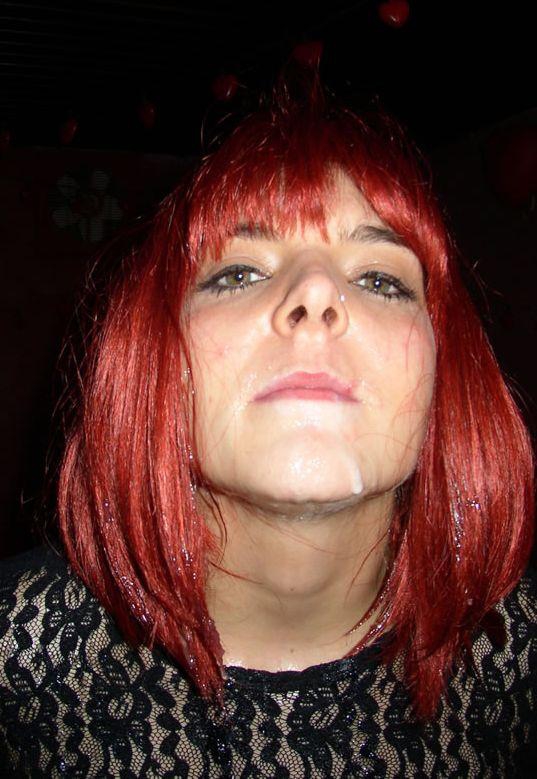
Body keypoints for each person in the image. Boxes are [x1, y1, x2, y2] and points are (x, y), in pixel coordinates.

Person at [0, 71, 535, 777]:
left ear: (446, 372)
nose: (314, 293)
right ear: (157, 359)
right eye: (240, 272)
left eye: (380, 279)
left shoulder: (519, 661)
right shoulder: (18, 668)